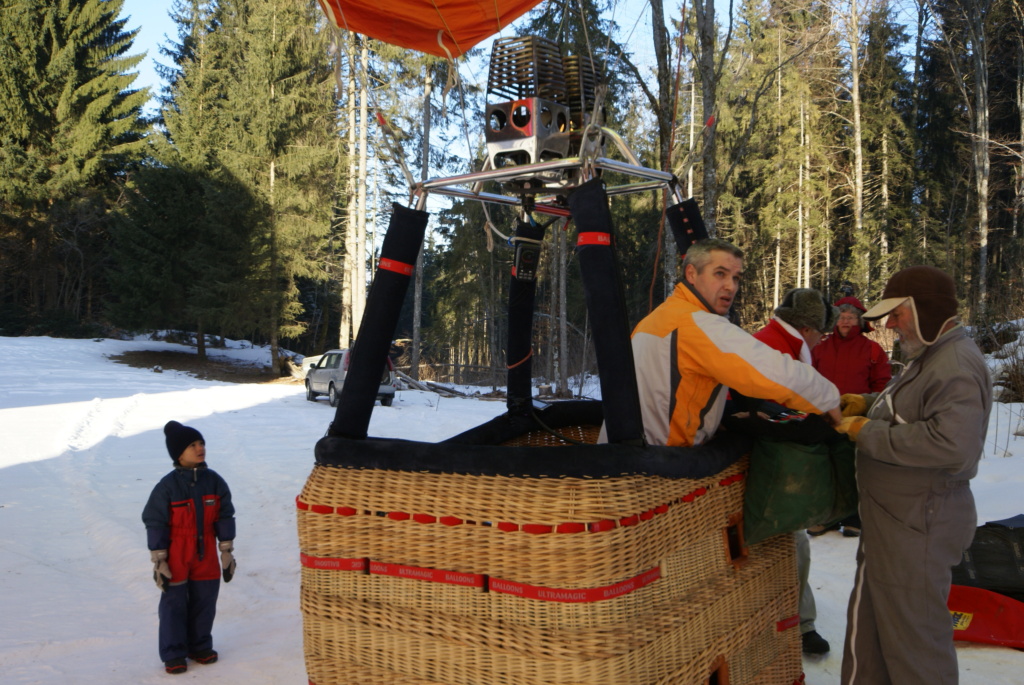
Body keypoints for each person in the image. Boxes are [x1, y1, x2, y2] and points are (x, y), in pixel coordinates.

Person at [834, 265, 992, 684]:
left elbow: (953, 444)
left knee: (914, 644)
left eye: (897, 314)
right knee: (872, 632)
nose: (889, 324)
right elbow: (912, 409)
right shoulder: (931, 355)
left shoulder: (955, 362)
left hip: (920, 524)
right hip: (896, 520)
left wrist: (870, 434)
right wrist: (867, 405)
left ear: (926, 311)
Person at [629, 237, 841, 447]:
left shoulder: (658, 318)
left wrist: (719, 417)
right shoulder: (697, 323)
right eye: (720, 274)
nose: (730, 286)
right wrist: (825, 397)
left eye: (736, 278)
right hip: (665, 460)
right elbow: (769, 370)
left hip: (634, 449)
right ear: (692, 274)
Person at [752, 287, 838, 657]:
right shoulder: (775, 347)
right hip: (763, 454)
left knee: (790, 536)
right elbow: (772, 400)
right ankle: (797, 623)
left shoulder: (780, 342)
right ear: (808, 328)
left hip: (766, 450)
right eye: (822, 332)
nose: (822, 340)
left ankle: (795, 619)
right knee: (793, 537)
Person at [143, 421, 237, 675]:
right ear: (178, 454)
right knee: (174, 603)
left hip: (205, 549)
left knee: (205, 599)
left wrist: (226, 551)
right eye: (192, 445)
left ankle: (199, 646)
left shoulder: (214, 482)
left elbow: (225, 515)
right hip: (177, 551)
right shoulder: (167, 487)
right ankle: (174, 653)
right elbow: (155, 521)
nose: (200, 448)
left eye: (201, 443)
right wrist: (159, 558)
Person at [810, 295, 892, 538]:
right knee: (826, 468)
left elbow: (882, 387)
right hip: (824, 418)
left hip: (858, 420)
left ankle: (854, 517)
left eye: (851, 317)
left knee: (855, 468)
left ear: (860, 321)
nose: (846, 322)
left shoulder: (872, 349)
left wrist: (866, 408)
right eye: (841, 317)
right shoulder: (820, 347)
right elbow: (807, 379)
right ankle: (828, 517)